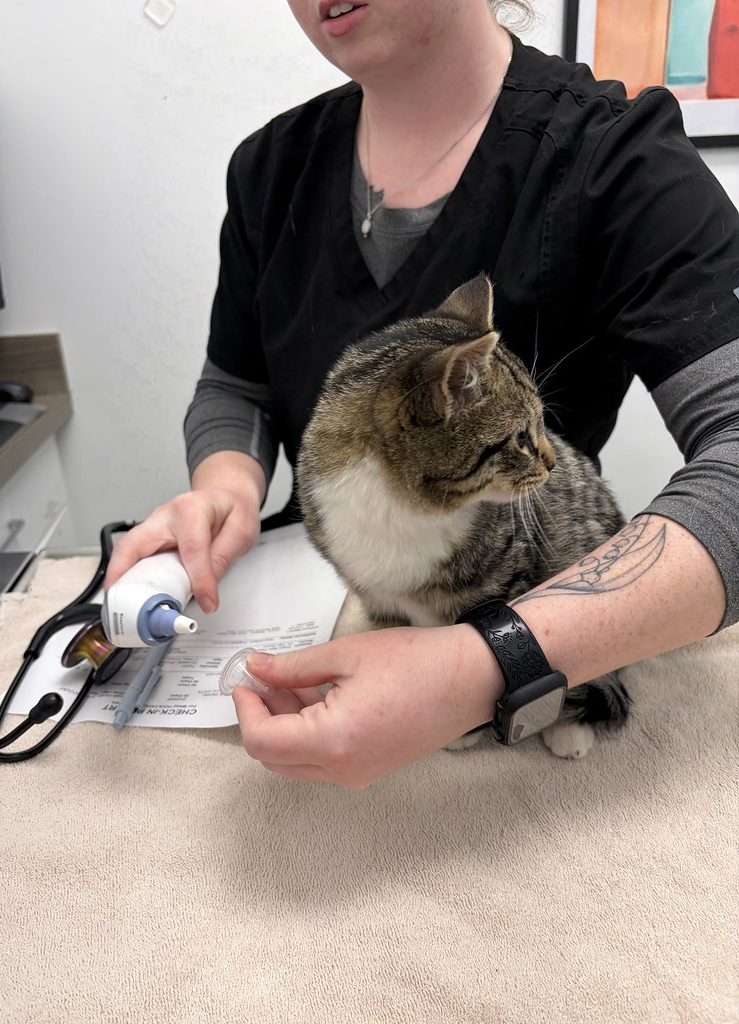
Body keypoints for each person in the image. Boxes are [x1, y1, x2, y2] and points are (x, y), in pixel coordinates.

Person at [106, 0, 739, 787]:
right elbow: (234, 383)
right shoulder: (270, 168)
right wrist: (225, 486)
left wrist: (489, 661)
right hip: (339, 595)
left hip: (534, 616)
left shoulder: (617, 157)